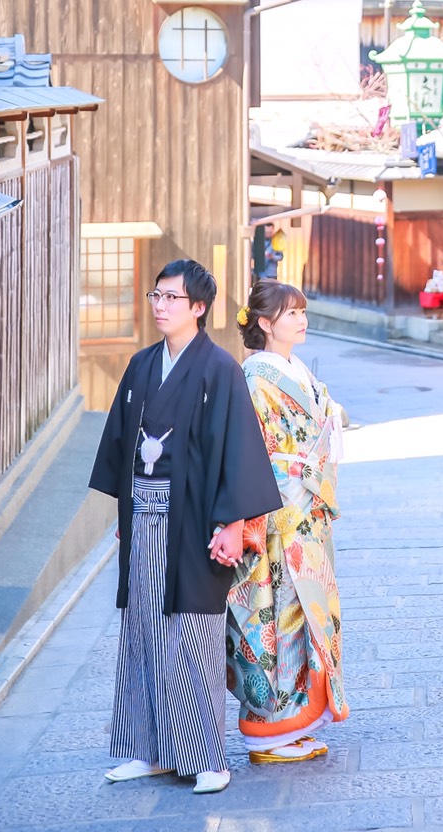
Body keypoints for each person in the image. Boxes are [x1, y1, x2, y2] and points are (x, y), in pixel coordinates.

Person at [89, 258, 281, 795]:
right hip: (145, 517)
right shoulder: (142, 366)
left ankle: (207, 759)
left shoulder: (219, 369)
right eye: (157, 296)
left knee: (191, 636)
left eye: (173, 298)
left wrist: (234, 521)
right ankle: (144, 749)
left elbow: (239, 450)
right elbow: (123, 448)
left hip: (195, 522)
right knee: (142, 632)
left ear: (198, 308)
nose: (161, 306)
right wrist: (126, 517)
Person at [226, 280, 349, 764]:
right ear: (264, 323)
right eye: (291, 313)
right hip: (278, 516)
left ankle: (299, 722)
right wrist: (305, 468)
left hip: (308, 515)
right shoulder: (255, 377)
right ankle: (269, 731)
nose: (301, 319)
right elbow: (254, 450)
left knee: (309, 617)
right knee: (277, 616)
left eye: (302, 311)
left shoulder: (297, 371)